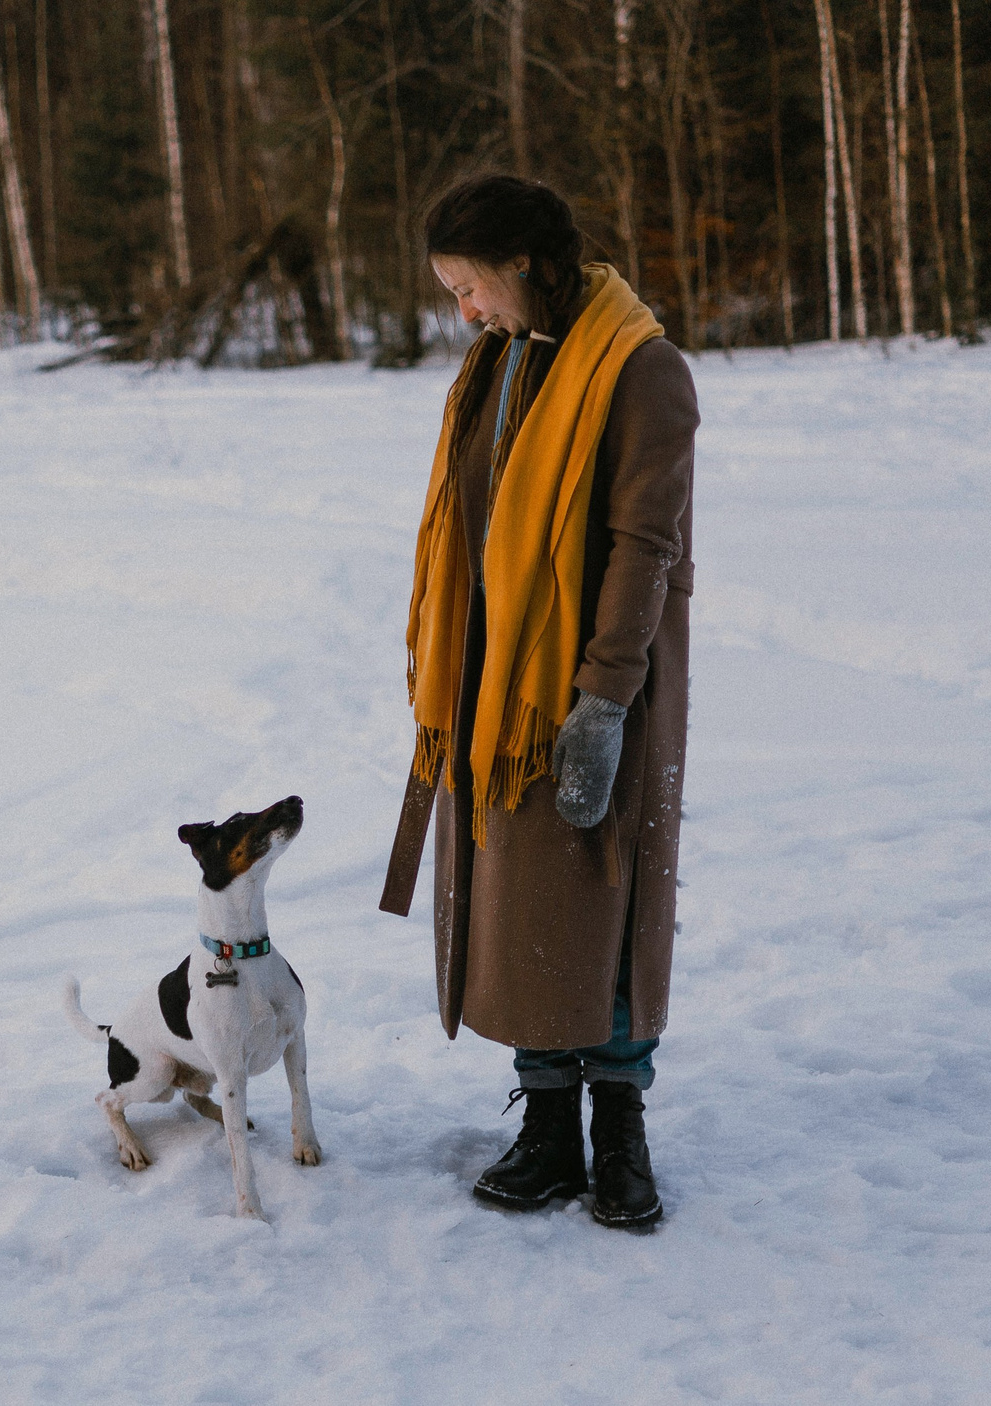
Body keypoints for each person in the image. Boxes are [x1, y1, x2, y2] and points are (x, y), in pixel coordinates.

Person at [377, 172, 696, 1231]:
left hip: (602, 687)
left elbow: (642, 550)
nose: (462, 309)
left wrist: (600, 702)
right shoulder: (500, 362)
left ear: (523, 262)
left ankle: (619, 1129)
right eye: (450, 292)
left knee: (601, 900)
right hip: (497, 694)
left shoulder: (639, 371)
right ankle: (547, 1122)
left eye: (468, 284)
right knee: (519, 903)